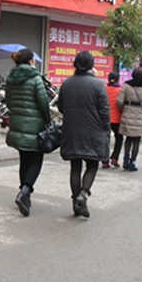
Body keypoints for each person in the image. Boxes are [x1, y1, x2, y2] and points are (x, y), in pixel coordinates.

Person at [58, 51, 110, 218]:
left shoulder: (67, 83)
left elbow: (61, 107)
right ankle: (84, 193)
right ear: (91, 65)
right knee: (92, 164)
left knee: (75, 166)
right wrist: (106, 129)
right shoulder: (98, 84)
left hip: (72, 130)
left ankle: (75, 202)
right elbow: (104, 110)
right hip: (93, 130)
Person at [4, 48, 52, 217]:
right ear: (31, 61)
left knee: (24, 159)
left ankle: (25, 195)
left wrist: (18, 111)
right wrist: (47, 120)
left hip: (17, 122)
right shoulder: (35, 78)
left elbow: (8, 101)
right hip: (35, 124)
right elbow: (43, 103)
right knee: (36, 159)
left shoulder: (10, 78)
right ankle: (25, 191)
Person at [117, 66, 142, 172]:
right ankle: (132, 162)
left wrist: (124, 109)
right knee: (136, 140)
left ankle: (125, 159)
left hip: (127, 112)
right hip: (140, 114)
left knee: (128, 138)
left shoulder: (127, 85)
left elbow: (119, 101)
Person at [102, 70, 123, 169]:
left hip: (105, 118)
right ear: (118, 80)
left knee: (105, 139)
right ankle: (115, 157)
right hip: (117, 119)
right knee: (119, 138)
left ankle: (105, 161)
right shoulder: (120, 91)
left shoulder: (104, 89)